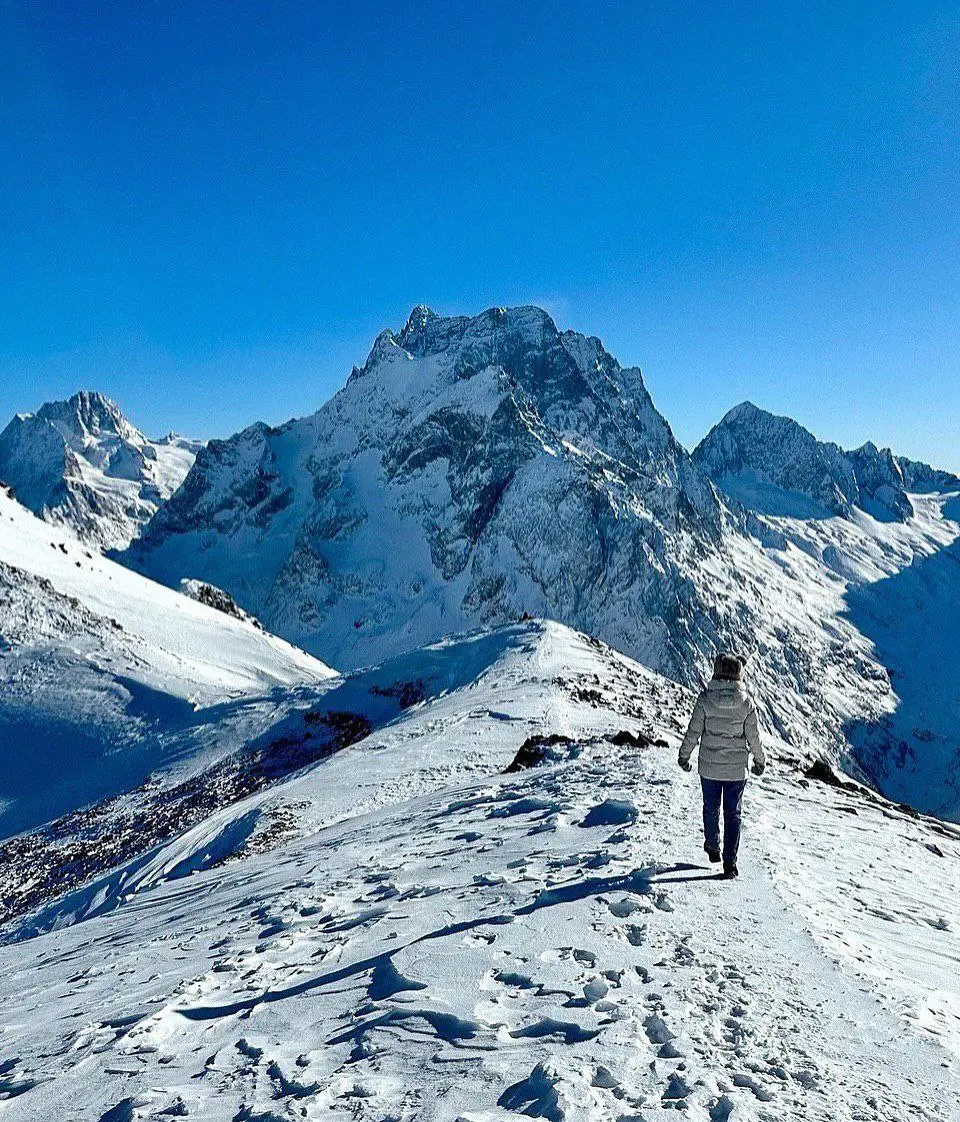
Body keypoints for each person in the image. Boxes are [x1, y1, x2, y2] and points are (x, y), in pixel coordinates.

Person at [678, 652, 765, 879]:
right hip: (736, 770)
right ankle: (730, 863)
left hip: (709, 768)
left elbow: (693, 731)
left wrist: (684, 756)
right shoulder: (746, 703)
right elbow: (754, 738)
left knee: (711, 807)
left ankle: (712, 845)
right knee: (733, 814)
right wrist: (759, 761)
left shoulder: (705, 699)